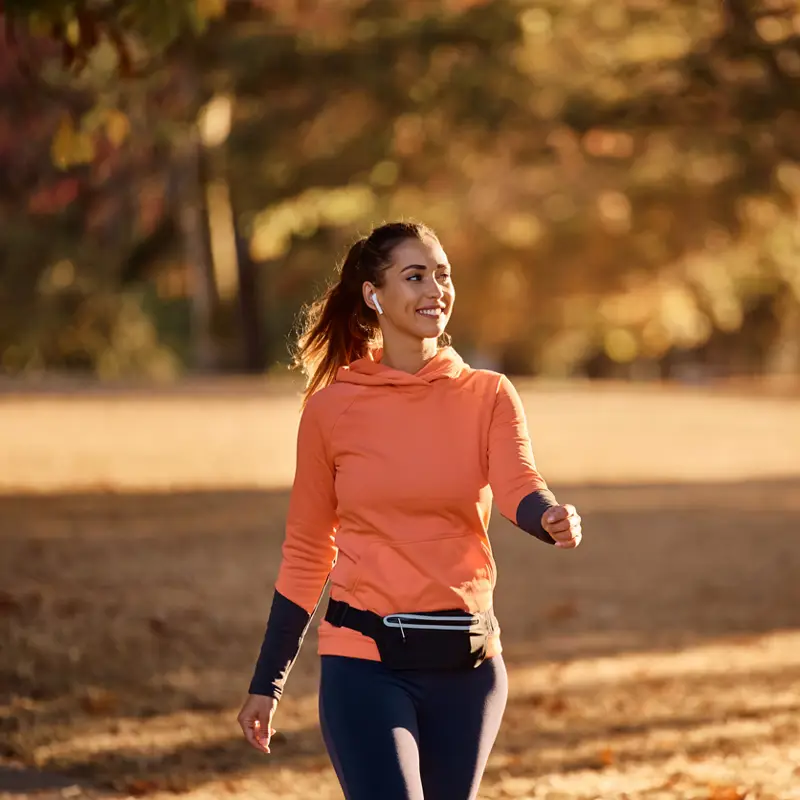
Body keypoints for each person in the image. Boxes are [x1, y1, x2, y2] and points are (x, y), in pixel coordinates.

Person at [236, 221, 583, 800]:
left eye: (443, 275)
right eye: (415, 276)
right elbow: (306, 551)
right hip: (365, 663)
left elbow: (518, 482)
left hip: (468, 664)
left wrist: (547, 516)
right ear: (373, 294)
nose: (435, 290)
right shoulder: (331, 410)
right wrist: (268, 683)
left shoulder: (489, 394)